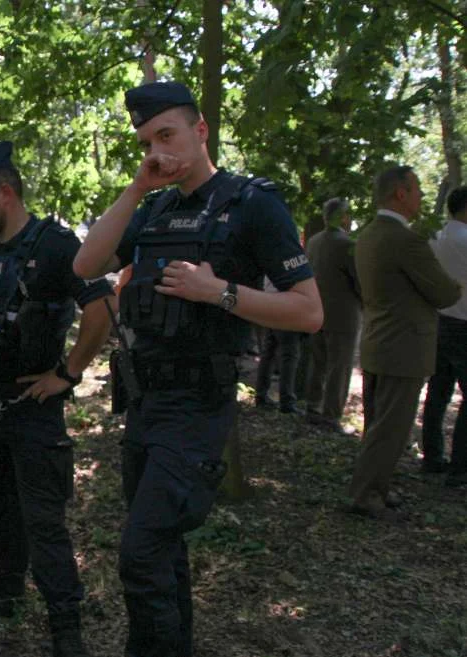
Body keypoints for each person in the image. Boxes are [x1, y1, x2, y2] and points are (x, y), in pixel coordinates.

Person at [73, 81, 323, 657]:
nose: (158, 151)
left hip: (198, 408)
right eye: (146, 142)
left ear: (201, 130)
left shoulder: (252, 204)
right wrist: (138, 186)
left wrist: (219, 293)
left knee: (140, 551)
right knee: (162, 553)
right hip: (144, 404)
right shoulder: (156, 204)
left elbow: (309, 311)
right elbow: (86, 263)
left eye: (167, 135)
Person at [0, 141, 113, 657]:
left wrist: (67, 375)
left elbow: (102, 312)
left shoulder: (55, 245)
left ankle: (65, 627)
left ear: (5, 193)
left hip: (32, 407)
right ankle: (7, 593)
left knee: (43, 518)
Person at [348, 166, 460, 516]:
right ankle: (364, 494)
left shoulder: (369, 234)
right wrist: (456, 285)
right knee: (390, 428)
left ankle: (377, 486)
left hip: (379, 340)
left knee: (379, 424)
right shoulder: (405, 240)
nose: (421, 197)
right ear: (401, 193)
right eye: (417, 190)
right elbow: (443, 293)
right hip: (404, 346)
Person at [304, 197, 362, 433]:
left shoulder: (314, 241)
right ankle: (330, 416)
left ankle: (312, 407)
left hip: (317, 311)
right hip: (343, 315)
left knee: (317, 363)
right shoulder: (346, 244)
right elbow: (359, 281)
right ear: (343, 217)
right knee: (340, 366)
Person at [421, 186, 467, 485]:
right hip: (464, 322)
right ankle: (460, 468)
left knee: (438, 391)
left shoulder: (434, 236)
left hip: (439, 319)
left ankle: (433, 456)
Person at [254, 277, 304, 414]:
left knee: (269, 351)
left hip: (270, 298)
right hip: (285, 301)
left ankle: (261, 395)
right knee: (289, 354)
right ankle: (287, 401)